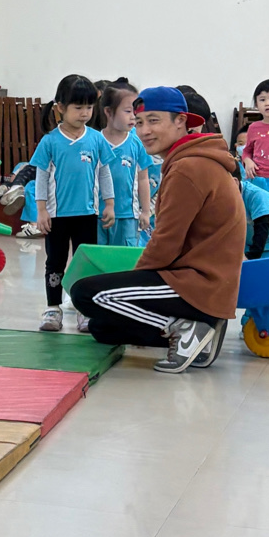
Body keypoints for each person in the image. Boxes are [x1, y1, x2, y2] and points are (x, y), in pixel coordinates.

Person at [71, 87, 246, 373]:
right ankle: (199, 333)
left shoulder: (188, 167)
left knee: (87, 294)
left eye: (154, 121)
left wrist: (133, 281)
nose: (144, 131)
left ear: (180, 121)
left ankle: (187, 329)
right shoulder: (193, 160)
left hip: (198, 284)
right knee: (102, 327)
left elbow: (166, 243)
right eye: (139, 122)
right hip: (208, 285)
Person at [31, 74, 116, 332]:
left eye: (89, 107)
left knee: (85, 263)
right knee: (55, 262)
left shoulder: (96, 139)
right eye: (78, 107)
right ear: (60, 107)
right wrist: (41, 210)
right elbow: (41, 177)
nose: (85, 113)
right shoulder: (50, 142)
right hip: (57, 216)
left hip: (87, 215)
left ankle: (84, 310)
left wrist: (109, 204)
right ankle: (53, 308)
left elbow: (104, 173)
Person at [98, 79, 151, 247]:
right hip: (97, 215)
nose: (133, 116)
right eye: (128, 111)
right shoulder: (94, 142)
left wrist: (145, 211)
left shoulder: (137, 143)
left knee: (124, 259)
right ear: (108, 111)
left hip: (128, 215)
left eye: (135, 111)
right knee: (96, 257)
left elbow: (143, 179)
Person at [243, 79, 269, 196]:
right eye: (262, 99)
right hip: (258, 179)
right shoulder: (253, 128)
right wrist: (247, 161)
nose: (267, 103)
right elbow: (246, 151)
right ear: (256, 104)